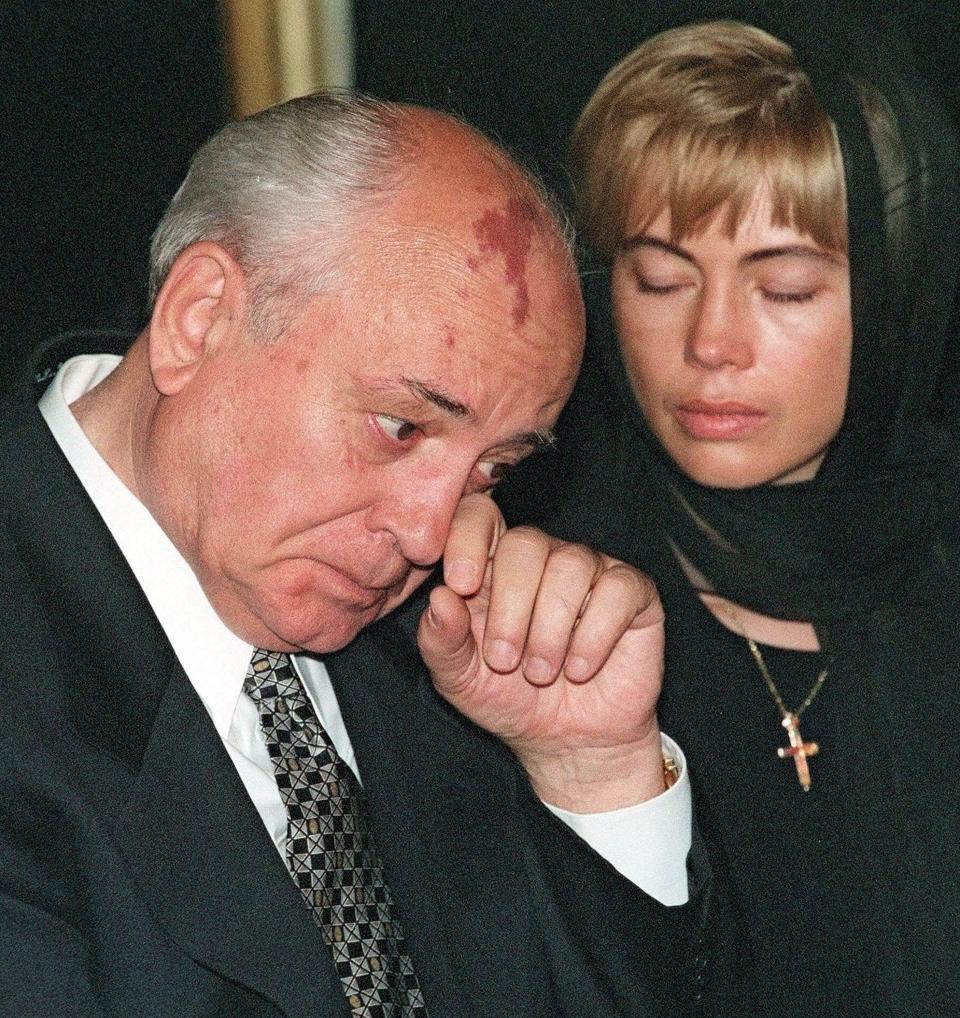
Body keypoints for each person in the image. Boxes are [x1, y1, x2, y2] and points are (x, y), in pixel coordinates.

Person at [0, 93, 728, 1017]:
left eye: (493, 470)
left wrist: (594, 776)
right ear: (200, 318)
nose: (430, 535)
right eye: (399, 426)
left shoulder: (459, 660)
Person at [501, 10, 960, 1016]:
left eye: (784, 288)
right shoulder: (537, 605)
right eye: (660, 277)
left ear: (895, 299)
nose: (711, 340)